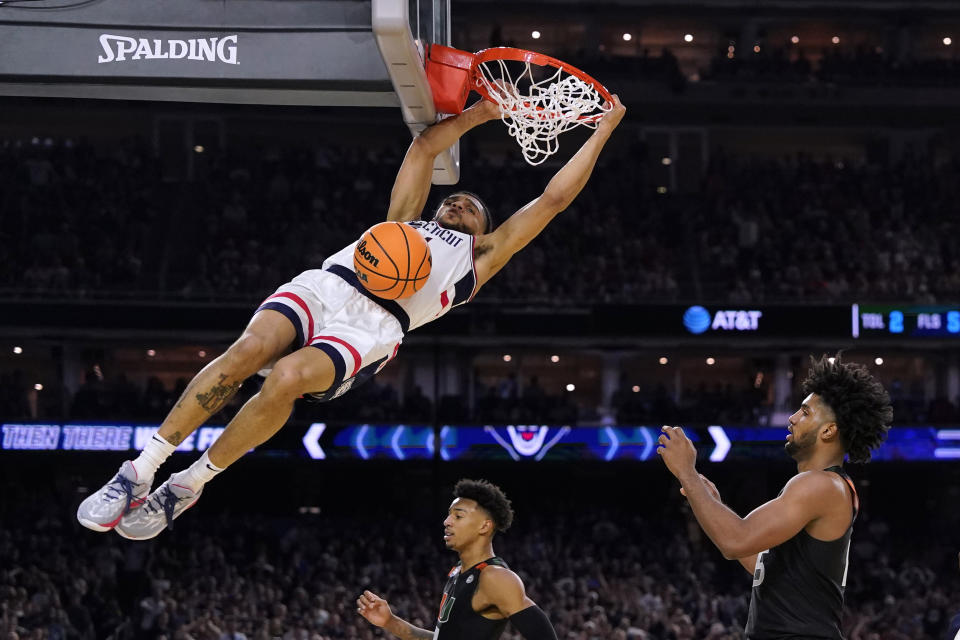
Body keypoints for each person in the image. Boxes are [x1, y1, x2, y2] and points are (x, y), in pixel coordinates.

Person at [76, 95, 627, 539]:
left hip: (374, 326)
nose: (458, 203)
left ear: (483, 229)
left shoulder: (480, 258)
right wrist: (481, 113)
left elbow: (553, 199)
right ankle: (138, 471)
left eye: (471, 206)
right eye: (452, 199)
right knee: (244, 355)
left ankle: (189, 484)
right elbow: (426, 145)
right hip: (328, 285)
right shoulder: (404, 222)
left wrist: (602, 128)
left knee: (287, 380)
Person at [657, 354, 893, 639]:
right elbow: (761, 564)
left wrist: (687, 473)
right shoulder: (821, 486)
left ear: (829, 430)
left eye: (805, 412)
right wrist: (712, 504)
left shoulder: (820, 485)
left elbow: (735, 541)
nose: (792, 418)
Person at [356, 479, 558, 640]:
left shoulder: (495, 577)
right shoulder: (458, 571)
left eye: (458, 516)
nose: (447, 521)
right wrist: (390, 622)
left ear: (484, 526)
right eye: (448, 515)